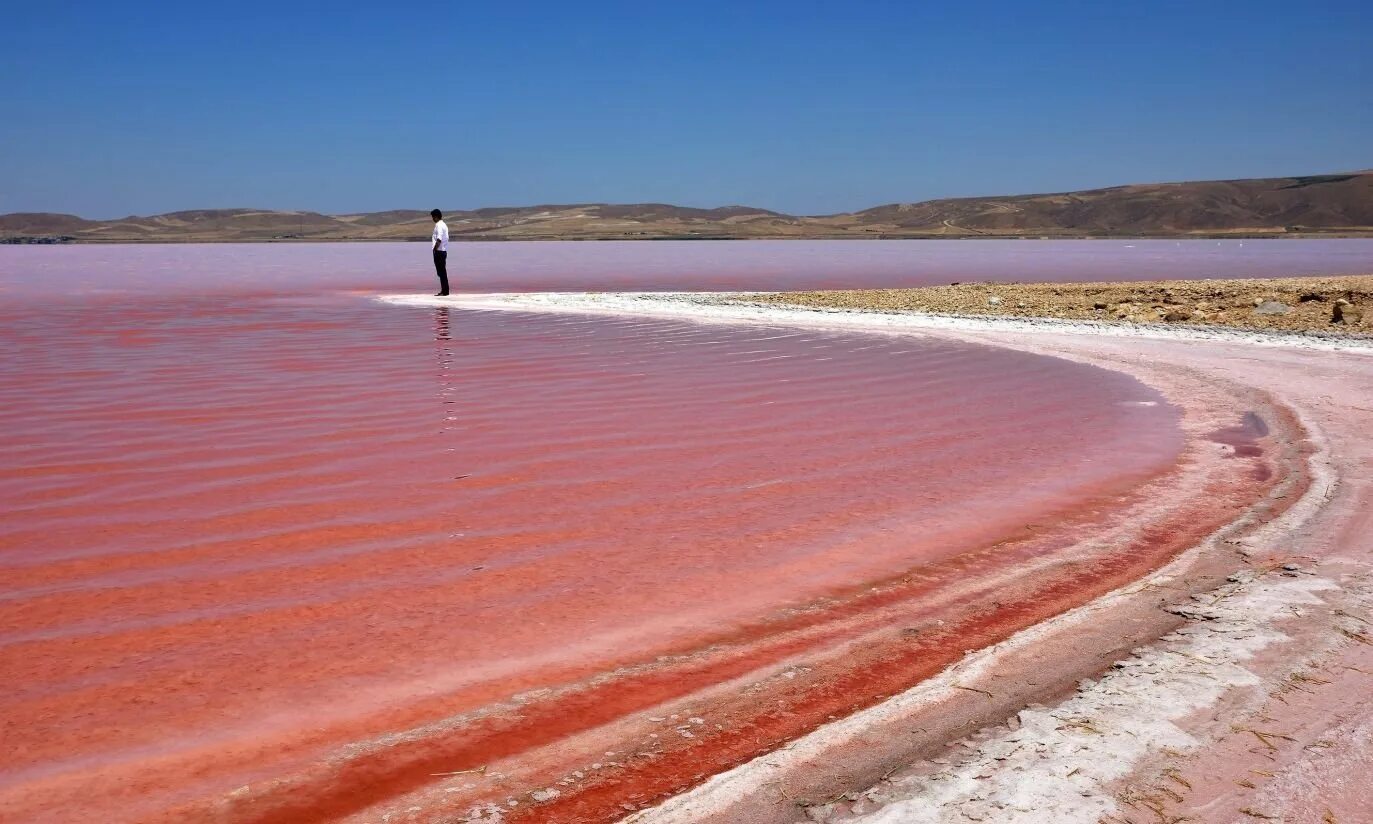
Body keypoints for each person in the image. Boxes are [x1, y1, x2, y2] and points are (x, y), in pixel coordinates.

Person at [430, 209, 449, 296]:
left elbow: (439, 239)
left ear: (436, 216)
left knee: (441, 272)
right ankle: (444, 290)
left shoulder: (439, 225)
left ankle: (445, 291)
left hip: (439, 251)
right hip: (442, 251)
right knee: (441, 272)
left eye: (433, 217)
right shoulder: (443, 224)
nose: (432, 219)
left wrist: (435, 249)